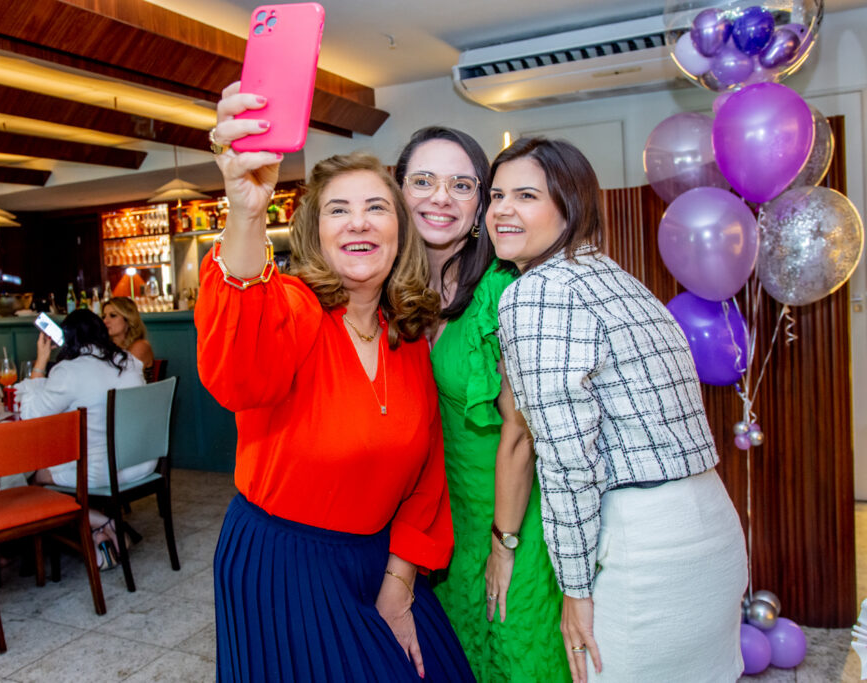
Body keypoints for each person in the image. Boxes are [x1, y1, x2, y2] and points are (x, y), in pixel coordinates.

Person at [196, 83, 474, 682]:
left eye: (376, 207)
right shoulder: (295, 309)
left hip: (380, 559)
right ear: (314, 233)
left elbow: (427, 476)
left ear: (400, 231)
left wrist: (399, 580)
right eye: (338, 210)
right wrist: (245, 211)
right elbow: (237, 372)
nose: (359, 222)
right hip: (282, 566)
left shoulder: (406, 336)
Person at [490, 136, 747, 682]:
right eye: (496, 195)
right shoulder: (617, 277)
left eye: (526, 195)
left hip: (645, 546)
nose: (502, 210)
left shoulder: (538, 292)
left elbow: (568, 459)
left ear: (570, 205)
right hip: (711, 525)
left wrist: (575, 589)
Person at [395, 127, 568, 682]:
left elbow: (521, 431)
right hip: (442, 522)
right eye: (423, 181)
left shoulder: (502, 289)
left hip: (510, 516)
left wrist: (504, 543)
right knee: (461, 659)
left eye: (462, 185)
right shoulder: (391, 290)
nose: (440, 197)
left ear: (479, 207)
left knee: (519, 654)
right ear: (399, 192)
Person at [18, 308, 148, 568]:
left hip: (101, 472)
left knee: (31, 477)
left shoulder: (69, 371)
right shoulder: (130, 361)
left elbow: (30, 416)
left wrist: (41, 361)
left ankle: (100, 522)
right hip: (141, 464)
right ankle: (101, 533)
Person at [102, 297, 156, 381]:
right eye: (103, 316)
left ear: (128, 319)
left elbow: (123, 377)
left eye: (113, 315)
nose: (105, 321)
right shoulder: (105, 347)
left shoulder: (141, 346)